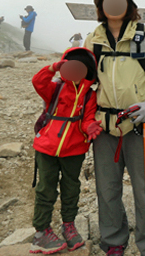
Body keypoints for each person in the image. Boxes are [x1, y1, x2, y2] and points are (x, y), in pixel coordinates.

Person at [85, 0, 145, 256]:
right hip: (105, 128)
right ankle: (113, 242)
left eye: (118, 0)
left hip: (141, 127)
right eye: (107, 1)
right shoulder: (93, 40)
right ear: (101, 6)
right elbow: (85, 85)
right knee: (107, 190)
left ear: (130, 6)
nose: (112, 6)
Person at [30, 47, 100, 254]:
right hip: (46, 147)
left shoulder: (89, 95)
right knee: (46, 188)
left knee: (71, 187)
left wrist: (89, 127)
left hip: (74, 150)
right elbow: (37, 82)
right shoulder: (56, 88)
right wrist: (51, 68)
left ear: (88, 72)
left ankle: (68, 225)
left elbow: (88, 119)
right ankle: (41, 232)